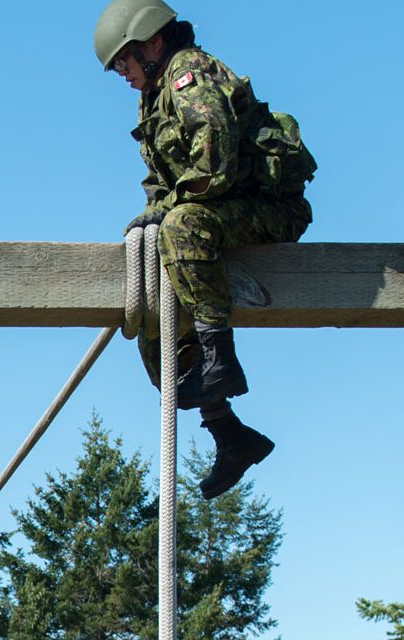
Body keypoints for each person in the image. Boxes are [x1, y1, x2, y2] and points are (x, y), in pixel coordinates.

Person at [93, 0, 316, 499]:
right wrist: (151, 215)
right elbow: (159, 182)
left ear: (152, 42)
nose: (122, 73)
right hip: (215, 212)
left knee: (182, 225)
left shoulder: (187, 74)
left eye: (124, 61)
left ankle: (221, 358)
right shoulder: (152, 99)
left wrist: (165, 210)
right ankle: (229, 433)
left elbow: (215, 164)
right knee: (155, 329)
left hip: (266, 208)